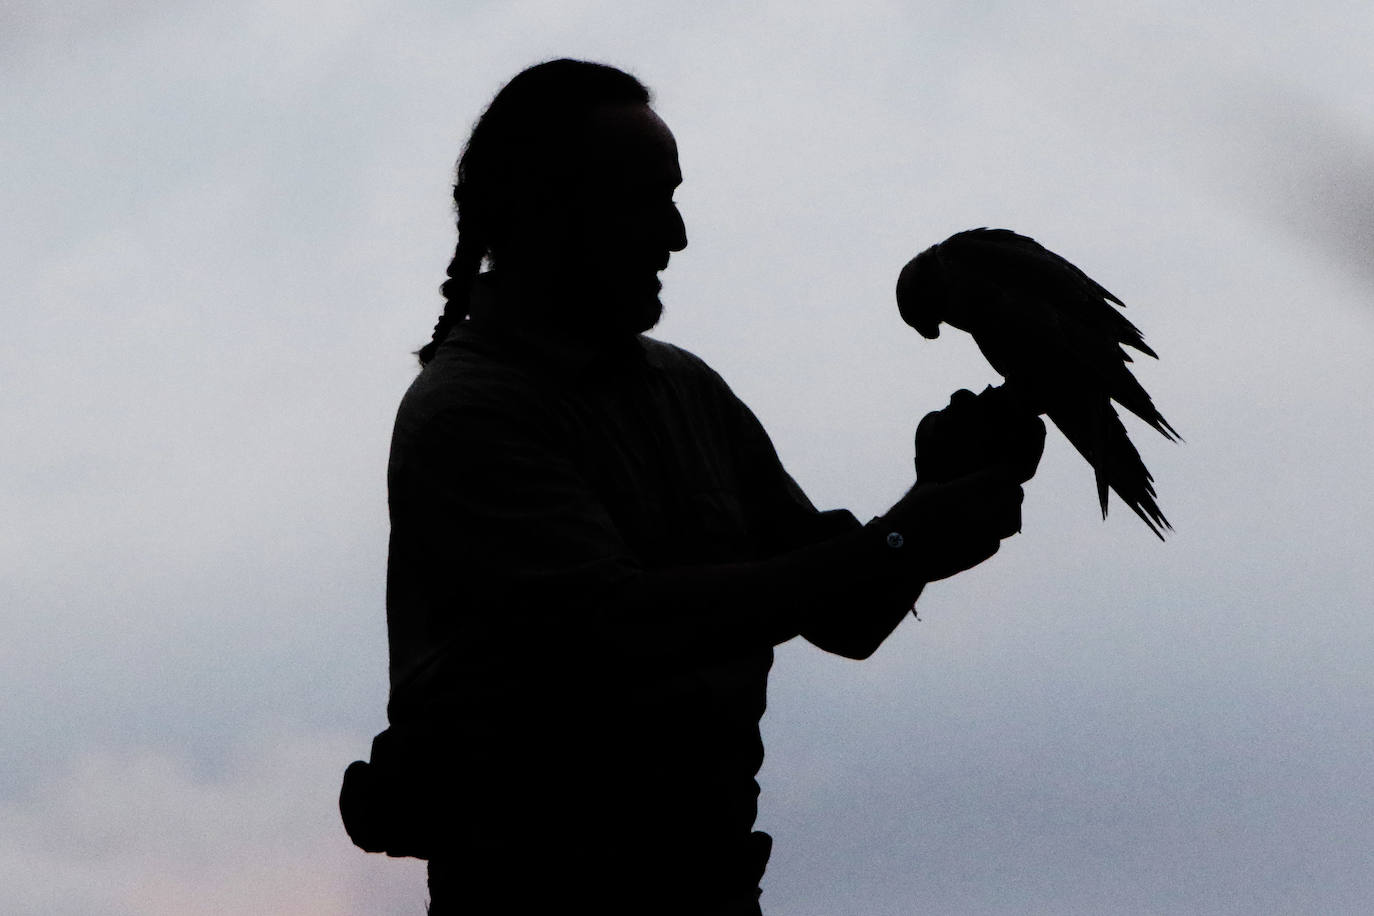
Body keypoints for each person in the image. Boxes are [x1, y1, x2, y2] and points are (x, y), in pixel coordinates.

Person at [340, 59, 1045, 915]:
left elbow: (845, 616)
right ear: (548, 214)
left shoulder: (689, 392)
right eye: (644, 200)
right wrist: (902, 541)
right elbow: (621, 625)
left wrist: (938, 493)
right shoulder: (467, 413)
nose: (676, 236)